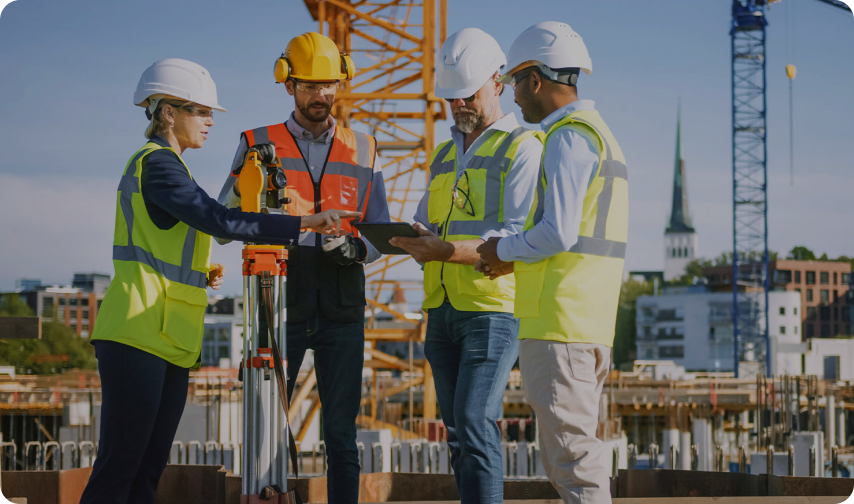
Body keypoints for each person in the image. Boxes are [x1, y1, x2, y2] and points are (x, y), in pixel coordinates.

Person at [80, 58, 357, 504]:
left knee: (146, 472)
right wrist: (304, 222)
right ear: (168, 112)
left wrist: (199, 271)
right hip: (136, 333)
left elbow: (174, 234)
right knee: (119, 471)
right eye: (201, 111)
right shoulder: (157, 165)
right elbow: (219, 219)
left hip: (167, 336)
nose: (210, 121)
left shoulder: (176, 169)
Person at [217, 32, 390, 504]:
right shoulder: (257, 143)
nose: (322, 96)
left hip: (342, 303)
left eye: (330, 85)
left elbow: (380, 233)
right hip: (277, 302)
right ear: (287, 83)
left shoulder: (366, 149)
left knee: (341, 433)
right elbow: (222, 223)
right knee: (267, 425)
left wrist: (357, 251)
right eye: (311, 86)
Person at [476, 22, 628, 504]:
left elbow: (558, 232)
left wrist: (500, 250)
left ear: (536, 80)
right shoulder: (600, 136)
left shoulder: (567, 137)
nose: (513, 97)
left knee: (572, 461)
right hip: (586, 321)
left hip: (560, 324)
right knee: (577, 453)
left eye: (515, 83)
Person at [389, 28, 542, 504]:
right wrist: (392, 236)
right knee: (456, 429)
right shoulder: (441, 155)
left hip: (492, 309)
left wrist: (446, 251)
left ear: (497, 83)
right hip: (441, 307)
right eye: (451, 98)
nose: (458, 106)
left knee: (476, 419)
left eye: (467, 95)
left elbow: (516, 237)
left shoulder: (523, 146)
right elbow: (426, 222)